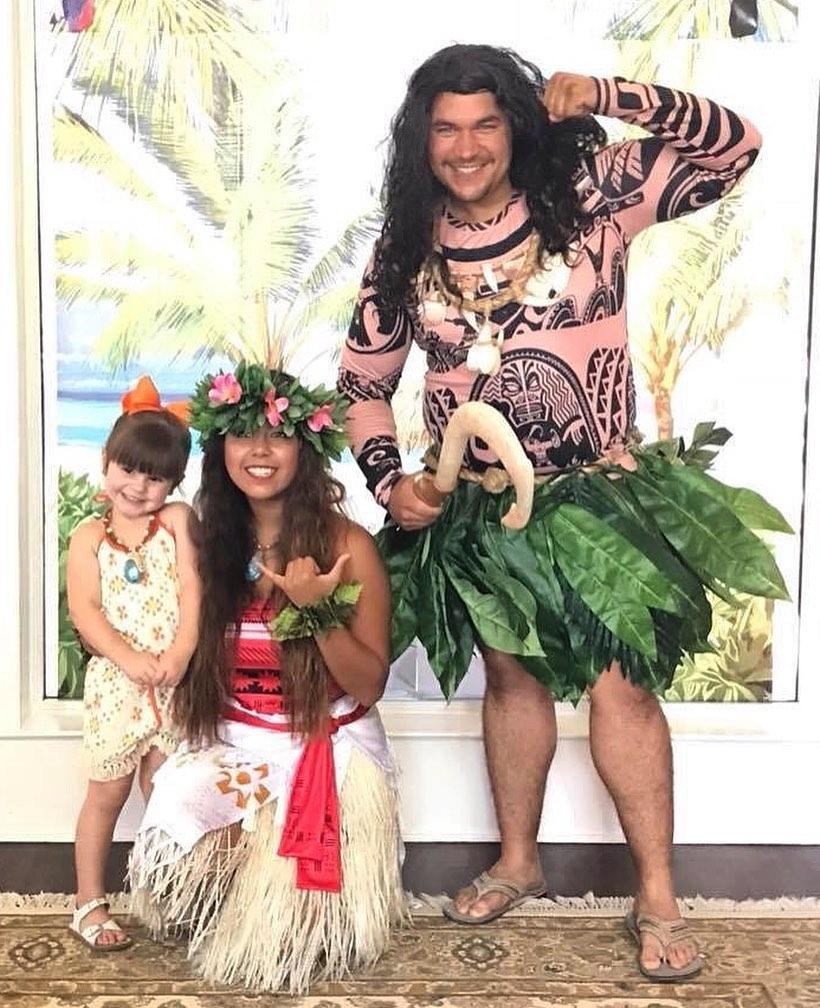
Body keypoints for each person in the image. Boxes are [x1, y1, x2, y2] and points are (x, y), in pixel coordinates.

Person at [338, 45, 789, 981]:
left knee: (624, 685)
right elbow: (363, 386)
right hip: (477, 509)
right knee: (510, 682)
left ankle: (657, 891)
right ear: (422, 142)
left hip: (599, 493)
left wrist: (615, 96)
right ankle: (517, 857)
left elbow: (737, 149)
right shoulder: (404, 247)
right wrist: (393, 485)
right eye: (446, 129)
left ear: (519, 125)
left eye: (486, 123)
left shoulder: (595, 197)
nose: (466, 148)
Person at [128, 361, 404, 994]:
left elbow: (368, 685)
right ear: (219, 446)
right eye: (242, 433)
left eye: (278, 434)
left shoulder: (348, 546)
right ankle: (240, 876)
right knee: (171, 804)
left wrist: (317, 611)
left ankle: (281, 892)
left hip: (322, 746)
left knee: (290, 945)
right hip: (236, 741)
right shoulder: (204, 546)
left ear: (304, 449)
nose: (259, 451)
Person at [66, 376, 198, 951]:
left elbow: (195, 593)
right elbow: (86, 611)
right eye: (127, 469)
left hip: (174, 683)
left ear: (174, 482)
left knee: (168, 794)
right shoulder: (88, 536)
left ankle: (171, 897)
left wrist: (179, 654)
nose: (138, 486)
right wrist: (130, 658)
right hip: (117, 689)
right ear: (106, 462)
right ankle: (89, 903)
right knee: (106, 794)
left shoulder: (176, 523)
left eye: (155, 476)